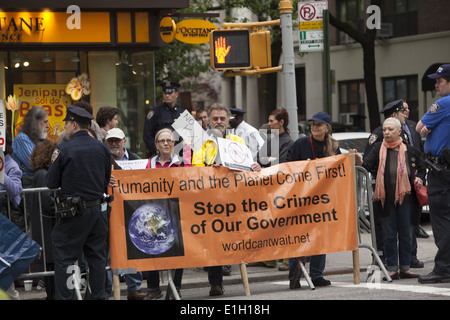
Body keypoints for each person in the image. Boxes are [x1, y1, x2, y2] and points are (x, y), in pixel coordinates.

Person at [192, 103, 260, 296]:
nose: (219, 122)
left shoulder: (237, 140)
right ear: (209, 120)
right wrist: (209, 170)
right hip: (210, 202)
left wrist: (254, 166)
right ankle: (216, 283)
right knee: (214, 243)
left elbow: (246, 164)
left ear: (228, 120)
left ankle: (242, 278)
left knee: (235, 239)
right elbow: (194, 168)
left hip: (233, 200)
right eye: (215, 118)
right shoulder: (200, 142)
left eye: (222, 118)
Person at [46, 105, 112, 300]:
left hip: (73, 213)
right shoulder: (102, 147)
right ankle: (98, 297)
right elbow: (105, 179)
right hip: (98, 210)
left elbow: (51, 182)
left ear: (74, 124)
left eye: (66, 123)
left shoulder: (63, 148)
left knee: (65, 257)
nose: (65, 127)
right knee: (97, 259)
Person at [355, 118, 426, 280]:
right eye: (385, 129)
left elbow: (421, 168)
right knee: (389, 234)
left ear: (399, 132)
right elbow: (366, 166)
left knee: (407, 234)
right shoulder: (379, 148)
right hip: (385, 199)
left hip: (407, 200)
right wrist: (359, 161)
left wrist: (420, 178)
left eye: (390, 129)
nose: (386, 132)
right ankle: (392, 268)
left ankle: (405, 267)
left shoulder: (410, 150)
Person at [286, 111, 339, 289]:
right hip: (302, 200)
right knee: (301, 238)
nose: (315, 127)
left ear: (327, 128)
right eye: (313, 124)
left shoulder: (332, 146)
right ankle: (295, 277)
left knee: (321, 238)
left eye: (319, 124)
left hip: (323, 200)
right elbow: (288, 165)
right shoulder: (301, 143)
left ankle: (317, 274)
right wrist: (303, 167)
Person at [144, 128, 190, 299]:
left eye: (169, 141)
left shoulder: (182, 162)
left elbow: (192, 181)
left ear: (173, 144)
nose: (165, 143)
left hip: (176, 211)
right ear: (156, 144)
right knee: (151, 249)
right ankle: (153, 287)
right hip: (154, 213)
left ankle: (175, 287)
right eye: (161, 141)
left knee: (178, 250)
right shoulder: (148, 163)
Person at [416, 64, 450, 284]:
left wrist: (429, 128)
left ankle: (444, 268)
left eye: (440, 81)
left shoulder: (444, 103)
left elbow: (419, 127)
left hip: (442, 171)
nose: (436, 85)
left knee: (442, 220)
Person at [29, 139, 57, 300]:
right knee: (51, 272)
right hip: (47, 229)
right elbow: (48, 202)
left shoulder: (41, 173)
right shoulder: (42, 174)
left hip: (46, 229)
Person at [143, 81, 184, 157]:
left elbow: (192, 137)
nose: (167, 96)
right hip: (161, 156)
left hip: (179, 157)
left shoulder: (182, 112)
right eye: (165, 93)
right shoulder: (155, 112)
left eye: (170, 93)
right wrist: (157, 151)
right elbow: (147, 135)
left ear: (176, 94)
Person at [12, 106, 50, 178]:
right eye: (45, 122)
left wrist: (41, 162)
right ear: (35, 123)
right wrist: (41, 162)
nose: (48, 126)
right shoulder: (22, 138)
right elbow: (34, 165)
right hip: (28, 183)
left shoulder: (39, 138)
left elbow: (39, 163)